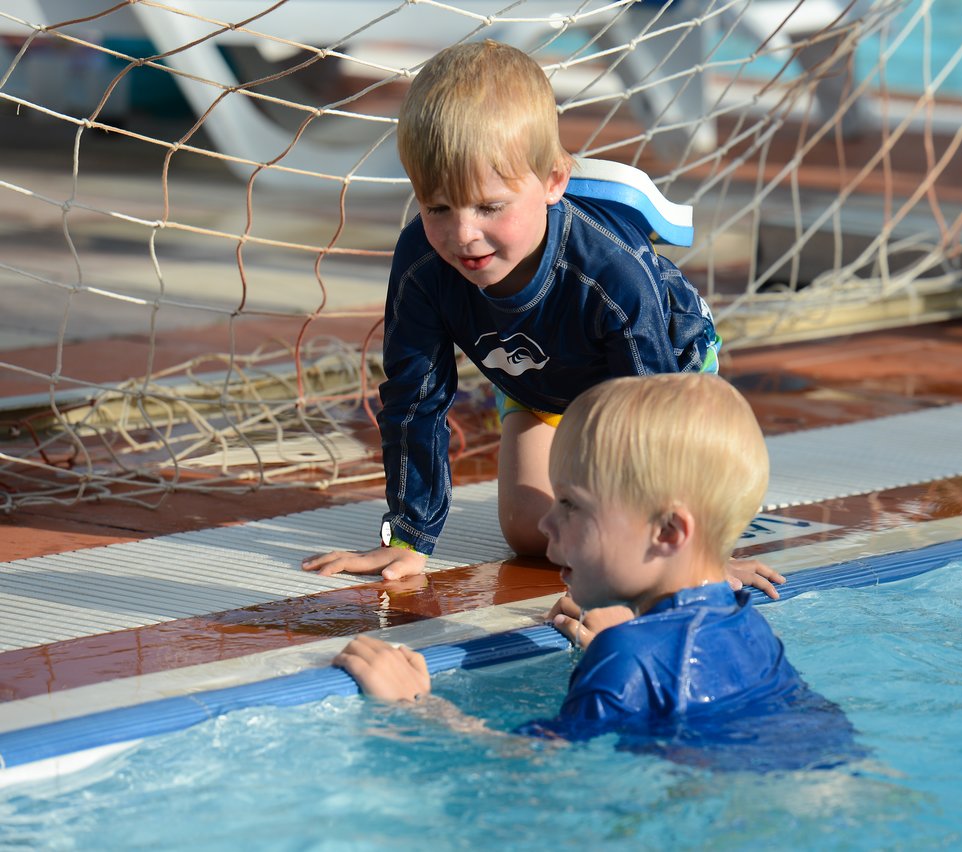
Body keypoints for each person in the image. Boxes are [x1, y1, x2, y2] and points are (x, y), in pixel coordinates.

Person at [301, 39, 781, 600]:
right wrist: (409, 538)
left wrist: (696, 561)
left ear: (554, 180)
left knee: (627, 537)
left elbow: (651, 421)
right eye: (437, 207)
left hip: (664, 374)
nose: (463, 235)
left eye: (489, 206)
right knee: (535, 535)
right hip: (538, 383)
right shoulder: (424, 266)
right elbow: (414, 397)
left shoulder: (611, 276)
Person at [334, 374, 860, 771]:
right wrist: (628, 654)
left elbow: (537, 767)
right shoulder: (747, 625)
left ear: (669, 532)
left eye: (570, 504)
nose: (544, 521)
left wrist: (418, 706)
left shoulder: (627, 658)